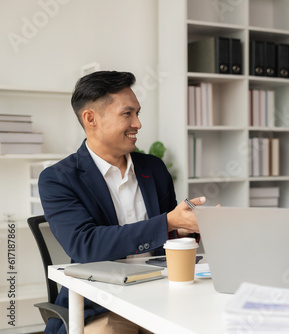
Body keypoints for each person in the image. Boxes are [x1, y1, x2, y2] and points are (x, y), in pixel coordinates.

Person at [38, 70, 205, 334]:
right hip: (101, 303)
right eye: (127, 114)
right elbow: (86, 246)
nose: (137, 123)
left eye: (138, 113)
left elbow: (166, 234)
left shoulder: (153, 167)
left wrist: (183, 228)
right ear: (90, 118)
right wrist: (167, 222)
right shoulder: (59, 179)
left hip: (162, 292)